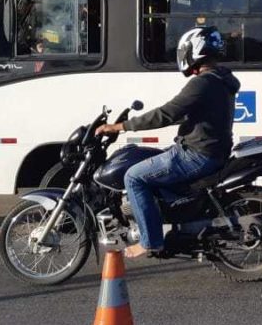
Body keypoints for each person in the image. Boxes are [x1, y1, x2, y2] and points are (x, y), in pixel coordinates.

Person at [95, 27, 240, 258]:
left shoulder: (203, 83)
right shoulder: (220, 79)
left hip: (197, 153)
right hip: (208, 150)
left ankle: (150, 241)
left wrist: (121, 126)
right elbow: (183, 114)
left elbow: (167, 113)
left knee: (133, 177)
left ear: (195, 51)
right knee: (145, 161)